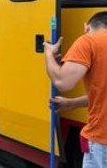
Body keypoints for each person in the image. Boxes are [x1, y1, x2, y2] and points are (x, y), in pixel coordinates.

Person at [44, 11, 107, 167]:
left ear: (86, 26)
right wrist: (72, 103)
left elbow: (62, 81)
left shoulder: (89, 41)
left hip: (102, 140)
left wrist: (49, 54)